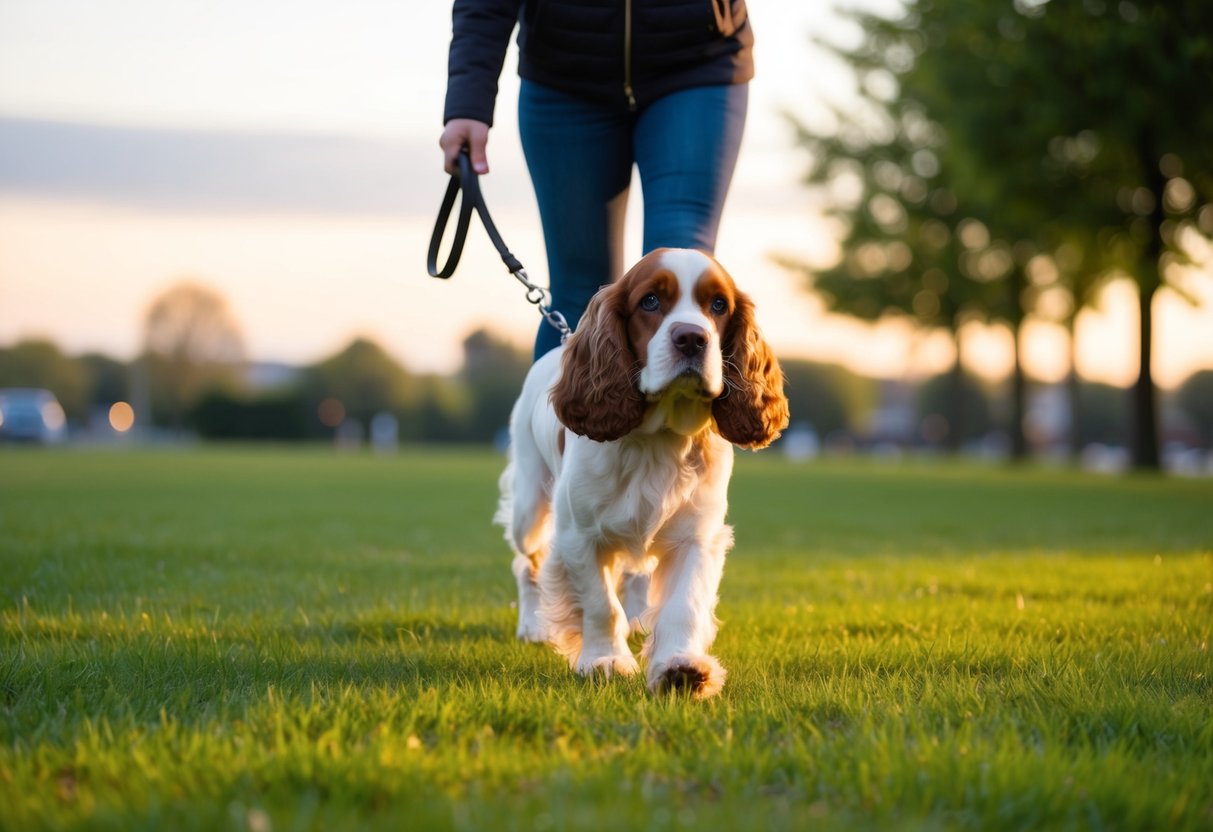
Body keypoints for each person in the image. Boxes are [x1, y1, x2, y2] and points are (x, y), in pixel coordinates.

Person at [440, 0, 754, 359]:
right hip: (564, 78)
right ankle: (565, 416)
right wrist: (467, 101)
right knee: (578, 297)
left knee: (685, 277)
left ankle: (686, 415)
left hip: (698, 65)